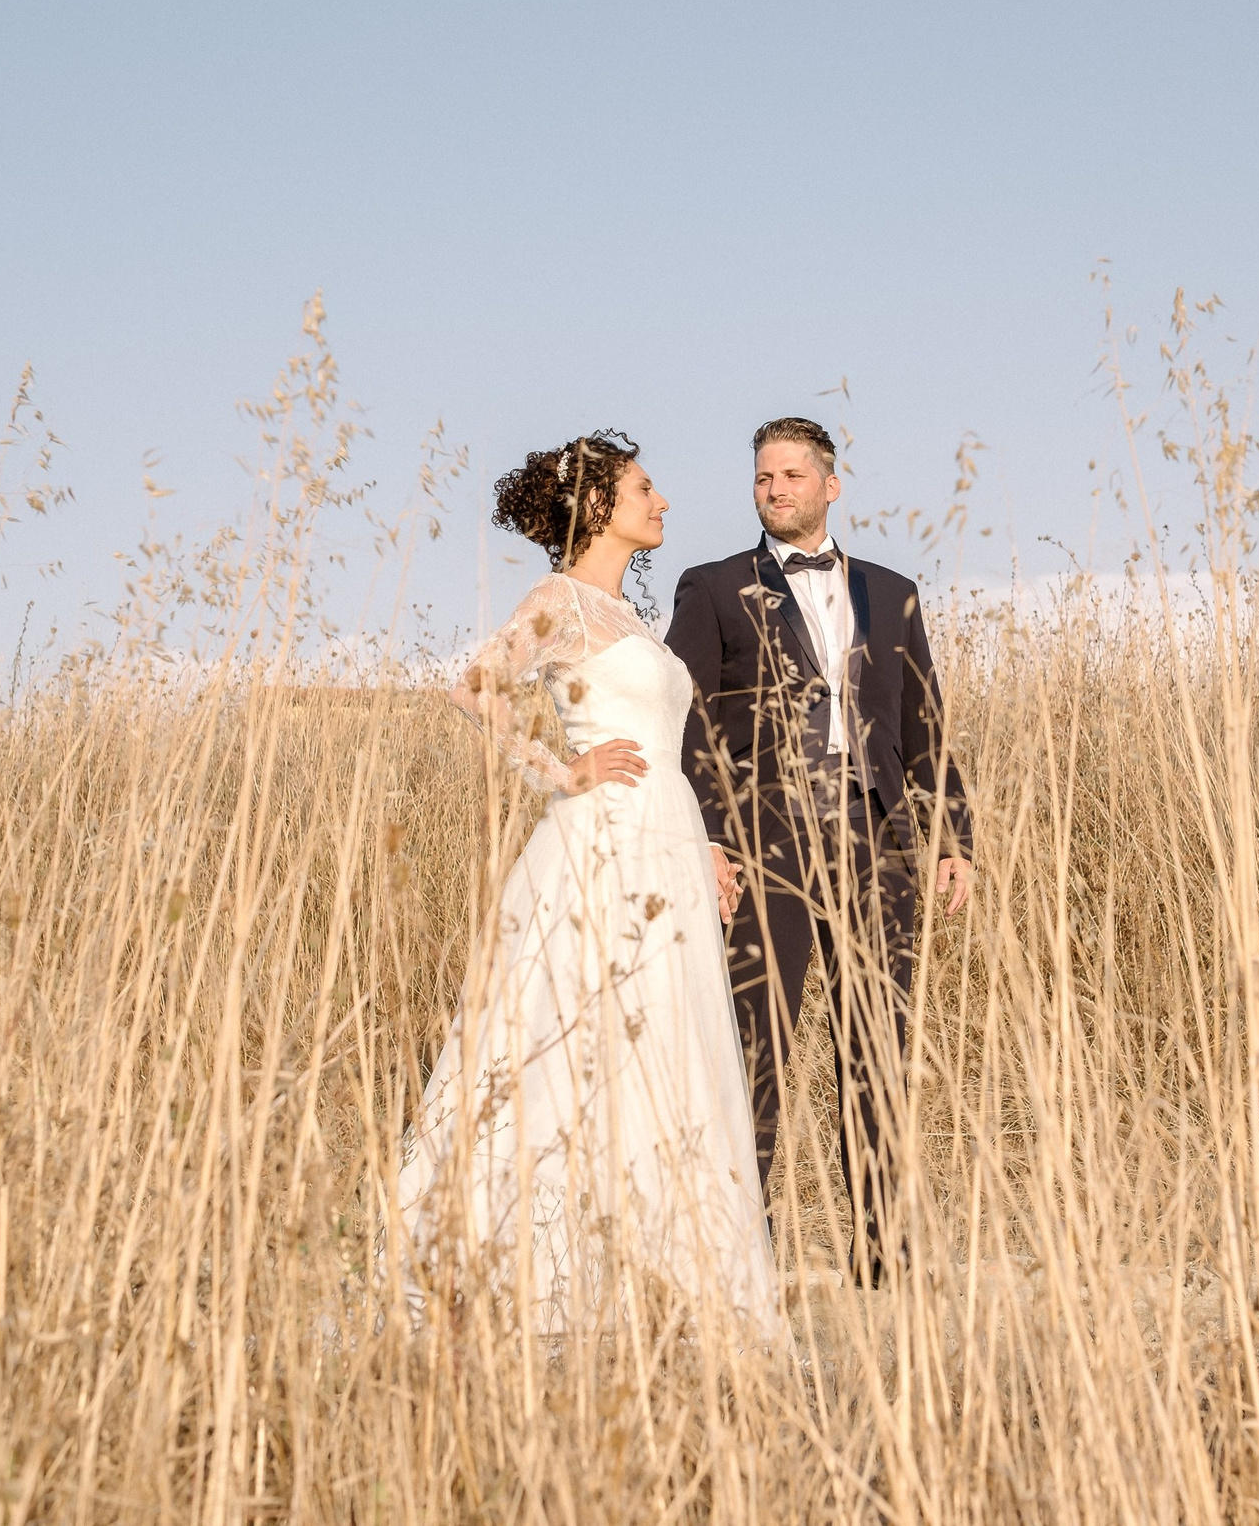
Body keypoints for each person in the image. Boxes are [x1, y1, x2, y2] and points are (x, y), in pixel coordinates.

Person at [398, 431, 776, 1331]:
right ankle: (546, 1264)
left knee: (661, 1040)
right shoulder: (560, 600)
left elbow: (662, 747)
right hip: (600, 844)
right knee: (578, 1036)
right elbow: (474, 686)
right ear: (600, 505)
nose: (664, 501)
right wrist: (558, 769)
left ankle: (654, 1265)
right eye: (645, 487)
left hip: (668, 840)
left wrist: (709, 850)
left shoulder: (629, 616)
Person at [664, 417, 973, 1288]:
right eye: (765, 476)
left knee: (879, 1050)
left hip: (879, 844)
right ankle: (739, 1259)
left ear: (830, 485)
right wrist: (709, 836)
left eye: (793, 474)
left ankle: (885, 1257)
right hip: (766, 847)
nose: (776, 488)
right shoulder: (714, 587)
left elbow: (925, 723)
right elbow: (686, 722)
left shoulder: (894, 590)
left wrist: (952, 837)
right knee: (754, 1051)